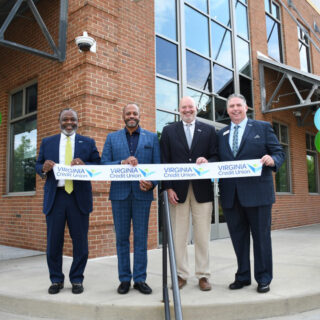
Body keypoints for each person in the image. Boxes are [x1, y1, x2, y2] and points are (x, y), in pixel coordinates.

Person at [218, 93, 285, 293]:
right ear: (228, 110)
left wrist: (273, 160)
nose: (235, 109)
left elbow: (279, 152)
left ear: (246, 107)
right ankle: (243, 276)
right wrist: (206, 163)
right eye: (231, 106)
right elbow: (218, 160)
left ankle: (263, 277)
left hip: (258, 195)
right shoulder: (221, 133)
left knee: (261, 238)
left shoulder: (262, 128)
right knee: (239, 239)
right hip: (231, 196)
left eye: (239, 105)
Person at [35, 108, 100, 295]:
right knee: (53, 242)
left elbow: (98, 164)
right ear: (59, 121)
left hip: (78, 197)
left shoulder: (87, 142)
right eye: (65, 119)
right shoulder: (48, 142)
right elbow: (38, 165)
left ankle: (77, 279)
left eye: (73, 119)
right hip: (56, 197)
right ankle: (56, 280)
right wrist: (44, 168)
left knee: (80, 242)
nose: (69, 122)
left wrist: (85, 165)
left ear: (78, 121)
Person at [160, 96, 219, 291]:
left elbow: (216, 155)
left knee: (203, 234)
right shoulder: (169, 131)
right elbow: (164, 160)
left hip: (202, 190)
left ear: (196, 109)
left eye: (191, 107)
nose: (187, 110)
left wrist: (208, 161)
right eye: (184, 107)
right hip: (177, 191)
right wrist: (167, 187)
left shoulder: (209, 130)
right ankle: (181, 274)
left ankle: (203, 275)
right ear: (179, 110)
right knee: (179, 235)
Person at [101, 103, 160, 295]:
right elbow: (104, 165)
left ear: (139, 115)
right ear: (123, 116)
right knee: (122, 239)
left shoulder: (151, 137)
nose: (131, 116)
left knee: (141, 239)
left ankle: (140, 279)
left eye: (135, 113)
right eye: (128, 113)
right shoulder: (112, 138)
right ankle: (124, 279)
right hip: (119, 194)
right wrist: (121, 162)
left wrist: (152, 183)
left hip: (142, 194)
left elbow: (157, 166)